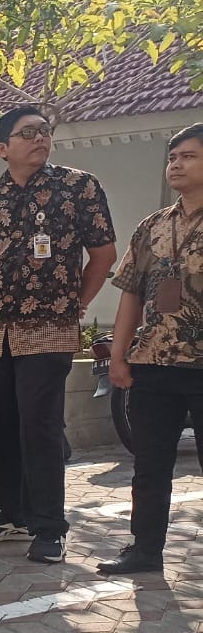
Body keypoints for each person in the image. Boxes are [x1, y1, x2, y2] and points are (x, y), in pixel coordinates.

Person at [0, 105, 117, 563]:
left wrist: (77, 303)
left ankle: (50, 527)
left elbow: (103, 255)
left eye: (44, 131)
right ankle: (12, 514)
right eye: (27, 133)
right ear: (2, 148)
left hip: (49, 328)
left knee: (40, 426)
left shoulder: (79, 187)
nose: (39, 139)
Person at [98, 124, 203, 575]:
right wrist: (118, 356)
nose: (176, 164)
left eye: (189, 157)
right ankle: (144, 550)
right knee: (150, 465)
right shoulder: (153, 226)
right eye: (173, 157)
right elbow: (130, 294)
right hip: (154, 362)